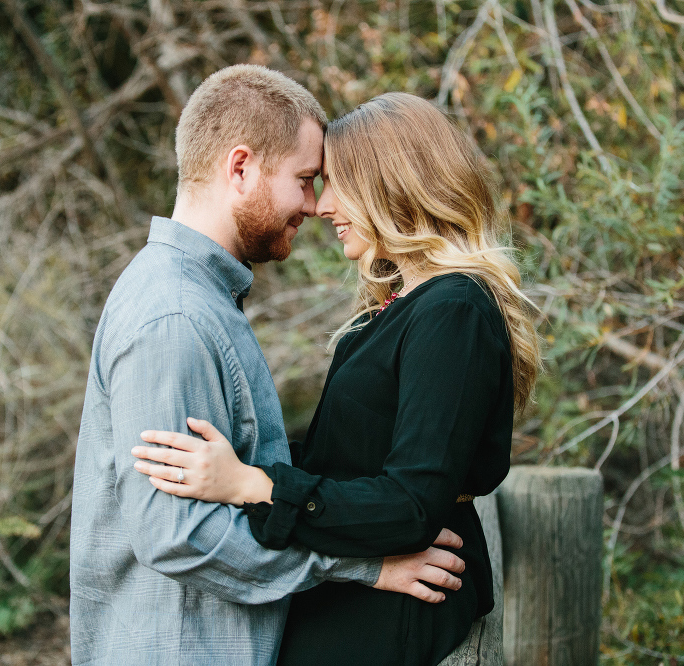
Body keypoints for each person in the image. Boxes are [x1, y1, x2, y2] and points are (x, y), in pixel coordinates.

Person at [70, 68, 467, 665]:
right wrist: (362, 565)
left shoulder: (201, 300)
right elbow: (177, 535)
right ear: (240, 168)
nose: (313, 206)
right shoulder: (173, 318)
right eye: (305, 180)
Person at [131, 92, 543, 665]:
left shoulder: (454, 309)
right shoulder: (404, 305)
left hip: (392, 616)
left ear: (390, 184)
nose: (322, 206)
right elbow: (349, 464)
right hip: (357, 603)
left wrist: (256, 486)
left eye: (334, 182)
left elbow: (411, 504)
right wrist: (236, 471)